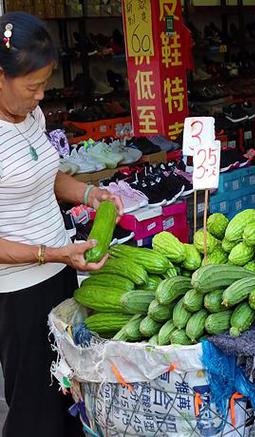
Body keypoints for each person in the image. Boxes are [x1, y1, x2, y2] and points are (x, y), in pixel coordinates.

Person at [0, 12, 123, 437]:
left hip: (59, 275)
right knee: (34, 407)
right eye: (31, 87)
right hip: (16, 294)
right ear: (0, 77)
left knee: (68, 391)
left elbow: (42, 173)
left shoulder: (31, 117)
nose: (39, 97)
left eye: (44, 86)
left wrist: (91, 194)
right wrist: (51, 253)